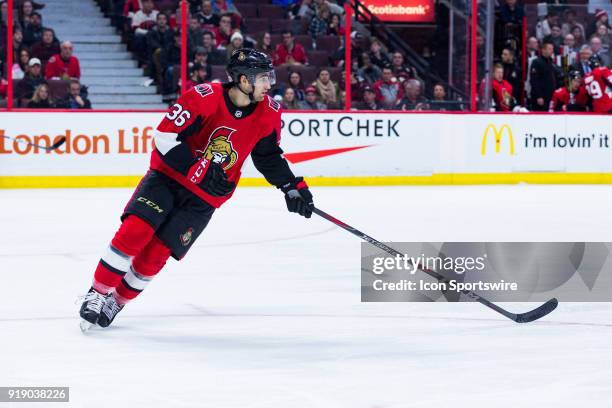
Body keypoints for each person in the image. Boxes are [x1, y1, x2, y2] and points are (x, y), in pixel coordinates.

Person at [78, 49, 315, 329]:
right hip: (168, 179)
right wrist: (194, 168)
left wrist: (291, 186)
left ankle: (116, 301)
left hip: (205, 197)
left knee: (156, 255)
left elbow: (268, 156)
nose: (269, 84)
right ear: (243, 80)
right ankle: (98, 292)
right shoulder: (204, 96)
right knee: (135, 231)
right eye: (263, 78)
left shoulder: (269, 112)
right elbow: (164, 137)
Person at [529, 41, 559, 111]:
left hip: (550, 95)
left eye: (552, 49)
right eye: (550, 49)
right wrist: (539, 96)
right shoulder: (536, 62)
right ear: (543, 50)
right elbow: (534, 80)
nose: (552, 51)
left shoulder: (551, 62)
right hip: (542, 96)